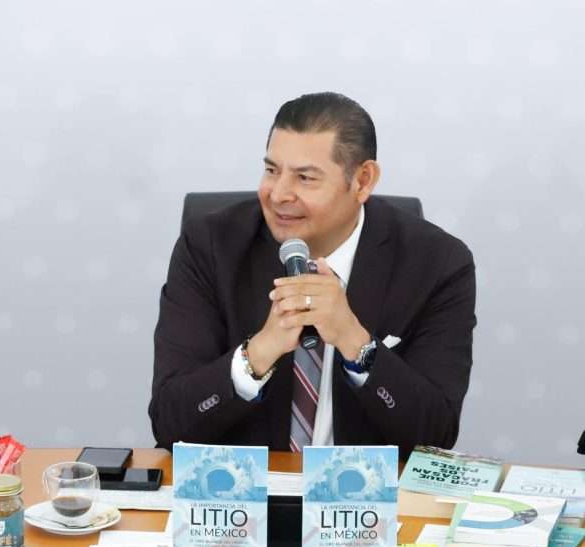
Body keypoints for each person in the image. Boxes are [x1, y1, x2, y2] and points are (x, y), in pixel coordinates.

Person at [149, 92, 475, 458]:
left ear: (363, 181)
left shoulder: (437, 263)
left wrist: (355, 342)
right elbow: (170, 424)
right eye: (272, 171)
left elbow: (435, 433)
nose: (278, 195)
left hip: (362, 491)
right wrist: (258, 353)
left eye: (305, 178)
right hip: (240, 488)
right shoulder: (211, 247)